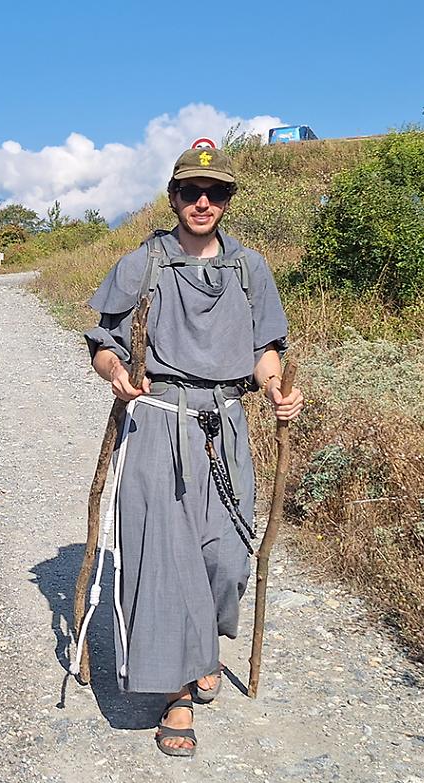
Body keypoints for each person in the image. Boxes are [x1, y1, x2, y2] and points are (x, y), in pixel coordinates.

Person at [83, 146, 304, 756]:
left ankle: (201, 641)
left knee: (229, 558)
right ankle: (179, 691)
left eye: (215, 193)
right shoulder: (144, 263)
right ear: (173, 197)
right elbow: (102, 340)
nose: (202, 203)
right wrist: (115, 372)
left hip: (226, 423)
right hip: (157, 422)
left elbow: (267, 348)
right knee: (168, 559)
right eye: (190, 192)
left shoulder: (249, 268)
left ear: (227, 201)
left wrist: (274, 387)